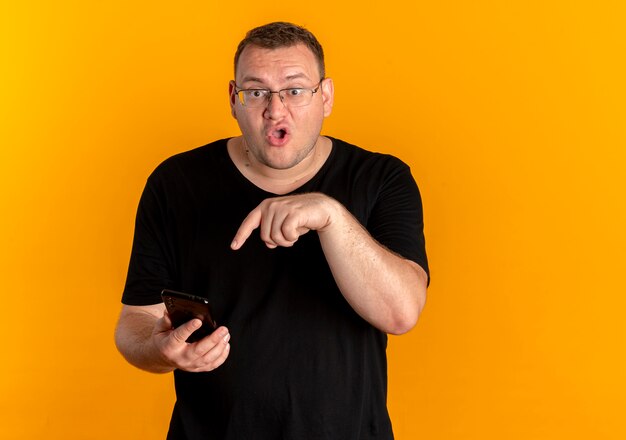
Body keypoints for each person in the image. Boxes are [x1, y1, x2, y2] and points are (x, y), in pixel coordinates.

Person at [115, 21, 429, 440]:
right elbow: (135, 322)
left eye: (295, 90)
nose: (275, 110)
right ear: (233, 99)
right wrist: (160, 350)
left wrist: (330, 215)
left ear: (327, 96)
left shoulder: (381, 178)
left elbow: (402, 312)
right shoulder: (176, 183)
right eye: (256, 91)